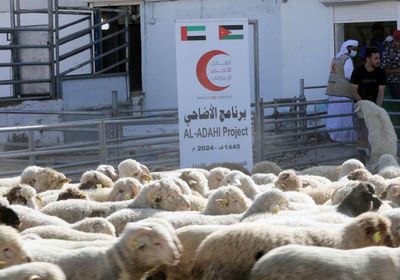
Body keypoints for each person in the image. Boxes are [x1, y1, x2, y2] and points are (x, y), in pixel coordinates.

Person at [350, 46, 386, 162]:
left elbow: (381, 92)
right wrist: (364, 105)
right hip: (361, 106)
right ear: (368, 59)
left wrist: (377, 109)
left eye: (378, 58)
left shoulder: (380, 72)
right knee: (362, 132)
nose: (378, 60)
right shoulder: (357, 71)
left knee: (376, 133)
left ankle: (375, 158)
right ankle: (362, 161)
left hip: (375, 107)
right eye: (375, 58)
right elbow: (354, 91)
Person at [325, 40, 359, 143]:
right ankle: (344, 138)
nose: (355, 51)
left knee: (334, 116)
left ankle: (333, 136)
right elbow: (349, 75)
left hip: (332, 89)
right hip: (342, 92)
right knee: (344, 117)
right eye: (354, 49)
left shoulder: (336, 58)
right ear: (348, 48)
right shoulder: (347, 59)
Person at [381, 30, 400, 99]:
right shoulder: (388, 50)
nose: (398, 42)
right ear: (393, 39)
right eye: (397, 39)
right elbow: (384, 70)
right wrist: (398, 71)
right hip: (394, 81)